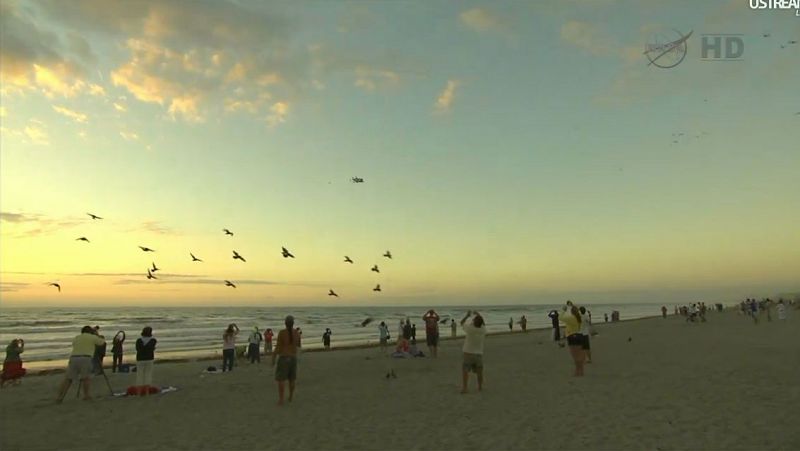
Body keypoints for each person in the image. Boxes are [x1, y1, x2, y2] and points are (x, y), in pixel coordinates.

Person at [56, 326, 106, 403]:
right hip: (86, 358)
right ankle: (86, 396)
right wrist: (96, 334)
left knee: (68, 379)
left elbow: (74, 344)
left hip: (74, 358)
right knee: (86, 378)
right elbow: (102, 342)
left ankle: (60, 397)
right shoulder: (92, 337)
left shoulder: (77, 337)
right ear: (91, 332)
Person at [272, 315, 301, 406]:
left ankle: (281, 399)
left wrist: (273, 357)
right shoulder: (296, 333)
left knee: (281, 380)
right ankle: (291, 396)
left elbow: (278, 347)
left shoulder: (282, 333)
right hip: (293, 358)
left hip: (284, 358)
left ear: (285, 323)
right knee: (292, 379)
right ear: (293, 323)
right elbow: (298, 345)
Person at [460, 310, 487, 394]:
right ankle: (480, 387)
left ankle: (465, 388)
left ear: (474, 322)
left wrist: (467, 315)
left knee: (465, 371)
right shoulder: (483, 330)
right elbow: (483, 324)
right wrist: (478, 314)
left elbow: (461, 322)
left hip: (468, 353)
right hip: (478, 354)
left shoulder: (470, 329)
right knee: (479, 372)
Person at [559, 306, 585, 377]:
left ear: (571, 312)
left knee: (575, 356)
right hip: (579, 335)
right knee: (579, 355)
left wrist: (563, 310)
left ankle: (577, 372)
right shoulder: (578, 317)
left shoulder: (572, 318)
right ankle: (581, 371)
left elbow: (560, 317)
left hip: (572, 336)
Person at [135, 327, 157, 393]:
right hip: (149, 358)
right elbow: (151, 348)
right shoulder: (153, 340)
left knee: (139, 374)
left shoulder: (139, 340)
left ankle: (139, 391)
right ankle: (147, 391)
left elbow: (138, 349)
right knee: (148, 374)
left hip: (140, 359)